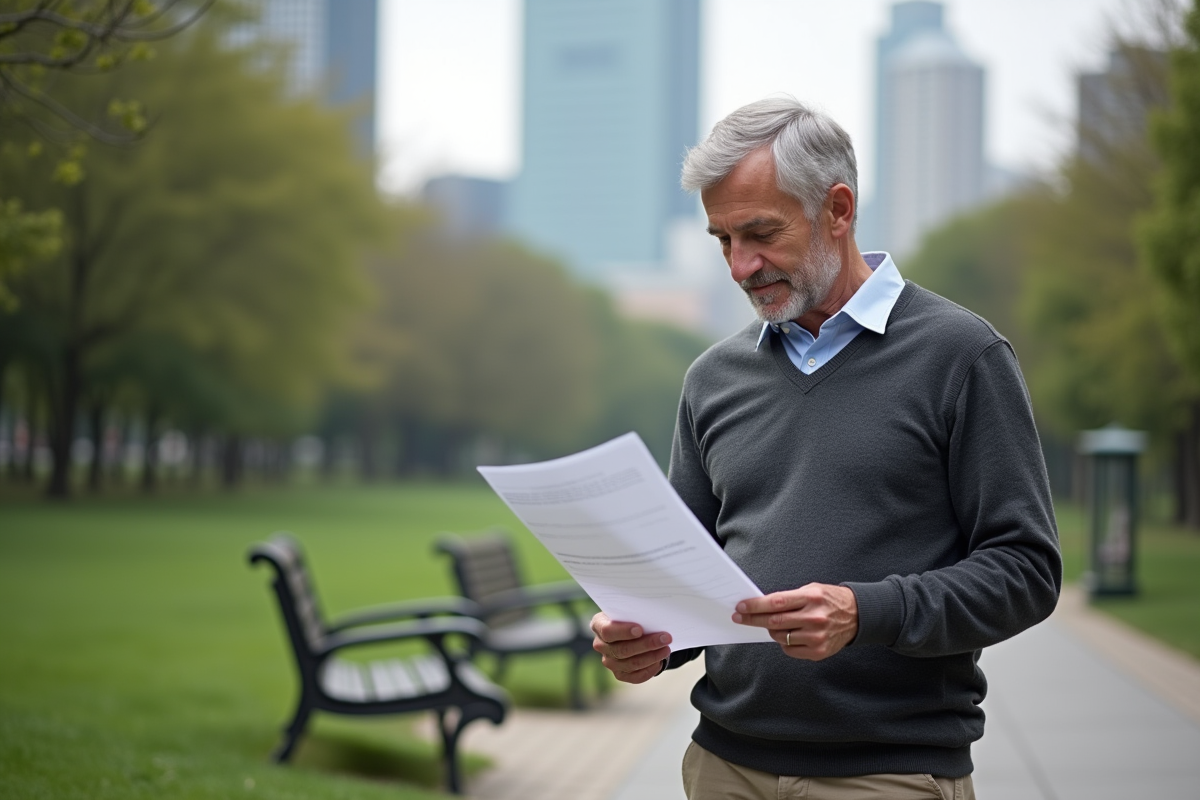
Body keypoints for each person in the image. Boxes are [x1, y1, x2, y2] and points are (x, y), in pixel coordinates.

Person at [590, 97, 1061, 800]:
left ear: (837, 210)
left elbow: (1026, 570)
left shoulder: (961, 356)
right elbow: (687, 578)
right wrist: (646, 640)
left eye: (759, 234)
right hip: (721, 767)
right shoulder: (712, 379)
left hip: (888, 773)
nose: (740, 266)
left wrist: (865, 610)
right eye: (722, 240)